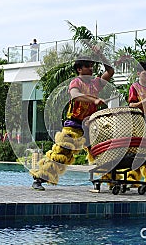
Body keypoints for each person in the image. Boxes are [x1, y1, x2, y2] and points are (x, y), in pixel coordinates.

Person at [30, 56, 114, 190]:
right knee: (61, 153)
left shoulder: (95, 83)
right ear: (79, 69)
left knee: (102, 151)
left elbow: (110, 71)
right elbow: (75, 95)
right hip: (74, 124)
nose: (91, 69)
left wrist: (101, 55)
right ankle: (39, 178)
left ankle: (111, 180)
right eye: (88, 66)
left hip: (91, 125)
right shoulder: (76, 82)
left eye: (92, 66)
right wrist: (94, 100)